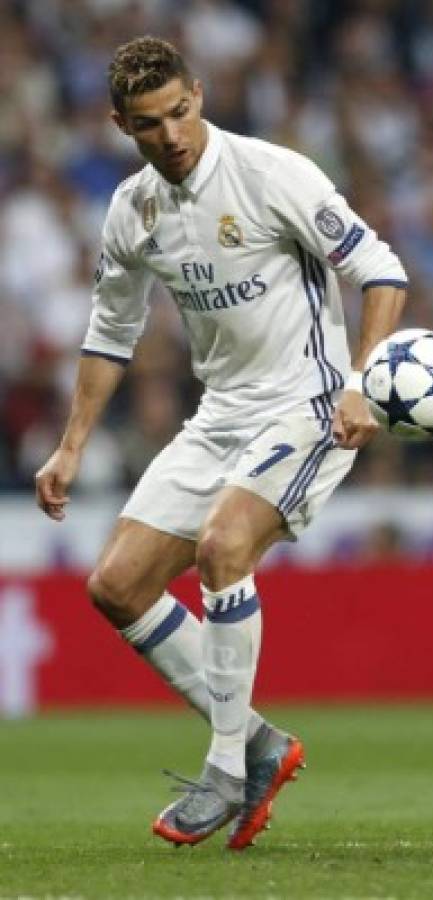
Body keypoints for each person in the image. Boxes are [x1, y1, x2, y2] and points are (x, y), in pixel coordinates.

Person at [32, 37, 408, 849]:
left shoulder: (275, 175)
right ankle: (262, 744)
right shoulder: (132, 208)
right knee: (117, 585)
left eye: (179, 112)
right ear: (118, 125)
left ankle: (228, 767)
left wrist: (359, 380)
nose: (170, 134)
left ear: (198, 95)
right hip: (221, 415)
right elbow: (110, 332)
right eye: (147, 124)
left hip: (310, 403)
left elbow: (382, 272)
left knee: (223, 546)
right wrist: (71, 446)